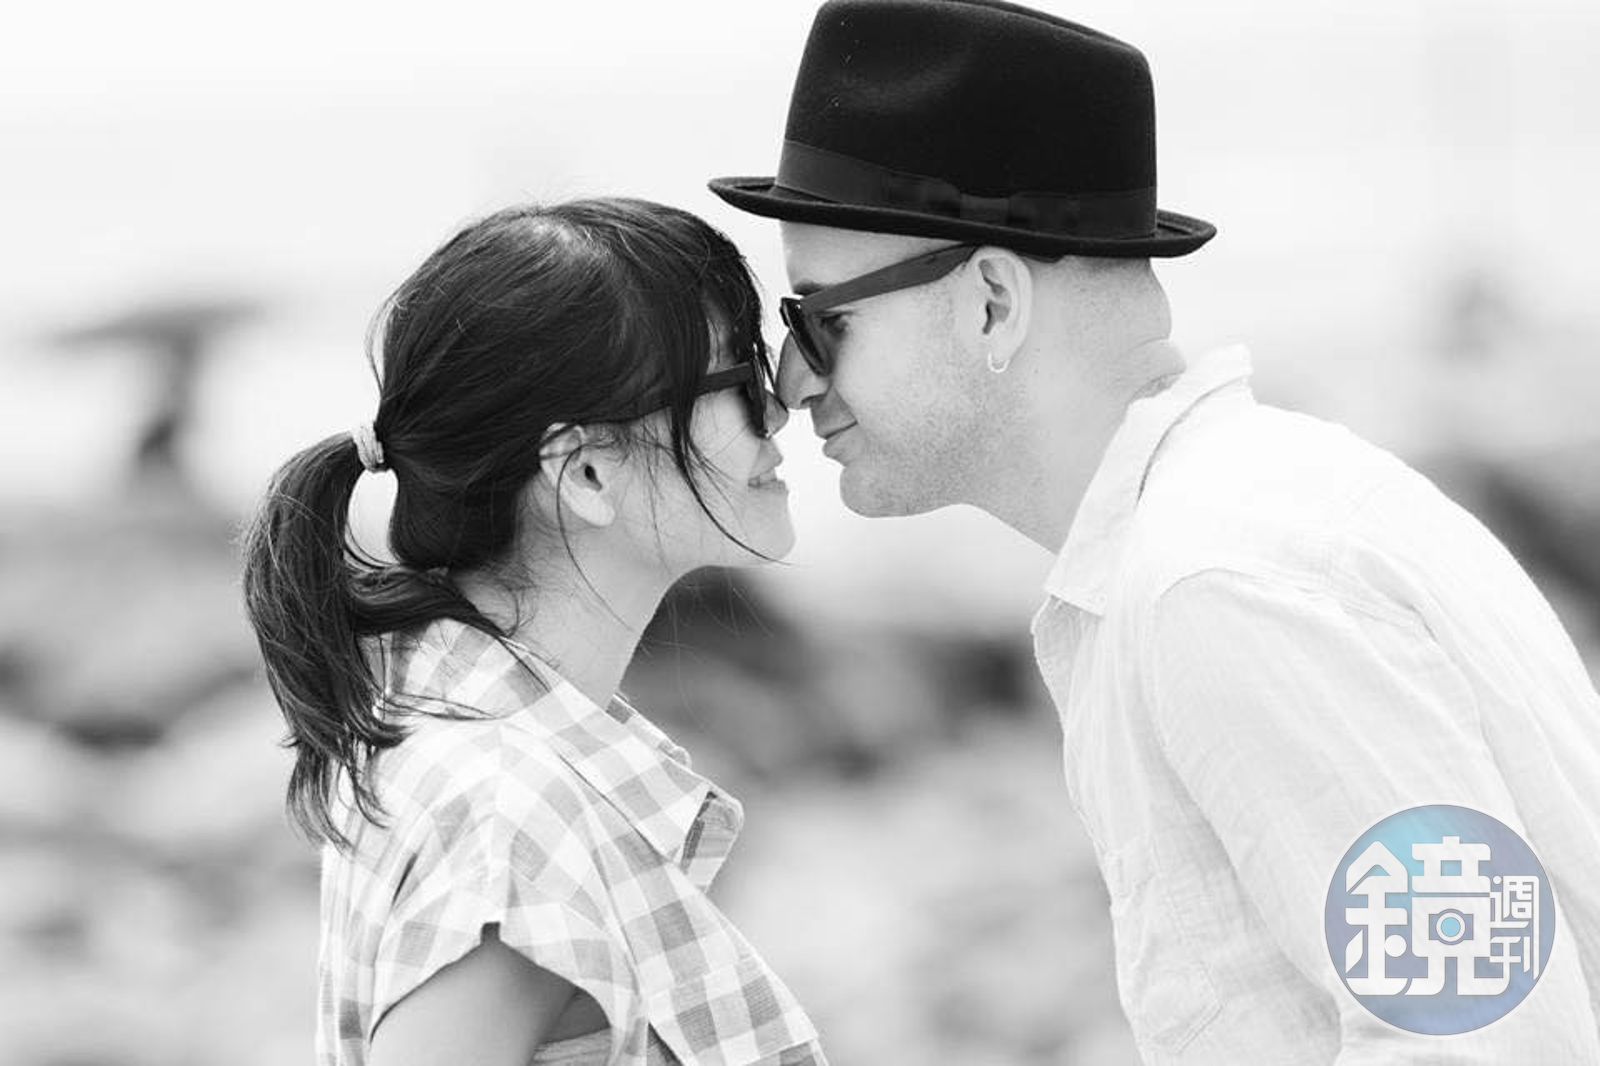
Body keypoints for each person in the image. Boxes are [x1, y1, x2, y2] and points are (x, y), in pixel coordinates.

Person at [708, 0, 1600, 1061]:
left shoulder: (1221, 585)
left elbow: (1487, 1035)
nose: (792, 380)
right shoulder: (1262, 513)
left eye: (821, 320)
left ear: (991, 302)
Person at [241, 199, 826, 1066]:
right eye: (739, 378)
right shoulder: (509, 813)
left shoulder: (477, 751)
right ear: (585, 472)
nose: (777, 412)